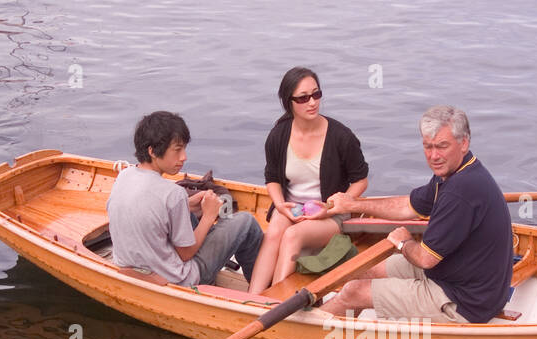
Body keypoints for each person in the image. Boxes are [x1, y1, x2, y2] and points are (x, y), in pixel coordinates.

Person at [319, 105, 513, 324]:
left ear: (464, 143)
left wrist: (403, 243)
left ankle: (303, 335)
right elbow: (407, 207)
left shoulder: (460, 192)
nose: (434, 156)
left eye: (442, 146)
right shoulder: (452, 173)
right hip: (452, 275)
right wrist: (352, 203)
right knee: (364, 271)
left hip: (465, 301)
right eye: (427, 147)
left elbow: (424, 258)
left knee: (353, 291)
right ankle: (342, 332)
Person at [247, 67, 369, 294]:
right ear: (289, 102)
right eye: (303, 98)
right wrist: (280, 205)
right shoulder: (279, 135)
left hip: (330, 214)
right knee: (274, 232)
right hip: (292, 208)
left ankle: (277, 301)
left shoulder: (342, 137)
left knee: (292, 235)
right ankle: (252, 298)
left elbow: (361, 180)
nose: (312, 102)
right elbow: (272, 178)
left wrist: (333, 206)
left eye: (316, 94)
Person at [107, 111, 263, 287]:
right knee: (246, 222)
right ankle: (260, 290)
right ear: (152, 151)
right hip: (177, 279)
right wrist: (209, 216)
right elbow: (185, 254)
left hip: (131, 268)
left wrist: (187, 205)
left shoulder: (124, 175)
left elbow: (153, 211)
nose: (184, 157)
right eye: (177, 150)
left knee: (189, 216)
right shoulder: (173, 194)